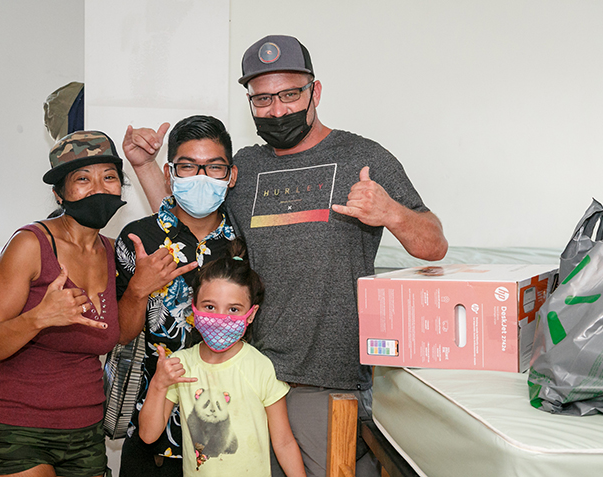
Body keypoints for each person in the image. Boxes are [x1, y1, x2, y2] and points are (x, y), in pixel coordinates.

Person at [124, 34, 448, 477]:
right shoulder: (246, 167)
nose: (277, 110)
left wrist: (390, 211)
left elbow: (433, 245)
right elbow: (189, 209)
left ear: (315, 91)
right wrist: (144, 166)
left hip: (329, 380)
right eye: (262, 100)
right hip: (248, 374)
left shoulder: (363, 157)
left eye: (290, 94)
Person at [0, 130, 130, 477]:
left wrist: (140, 289)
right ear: (59, 192)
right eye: (83, 179)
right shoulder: (31, 245)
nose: (99, 188)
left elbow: (120, 336)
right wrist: (39, 318)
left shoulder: (112, 251)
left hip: (87, 434)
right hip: (20, 431)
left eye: (110, 177)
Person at [115, 115, 239, 476]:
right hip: (153, 439)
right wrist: (139, 289)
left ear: (231, 175)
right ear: (169, 174)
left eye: (214, 167)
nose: (201, 177)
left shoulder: (245, 244)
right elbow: (121, 335)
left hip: (229, 438)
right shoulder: (140, 239)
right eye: (188, 166)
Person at [139, 239, 306, 477]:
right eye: (209, 306)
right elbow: (148, 435)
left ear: (251, 314)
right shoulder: (180, 365)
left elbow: (284, 442)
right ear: (194, 306)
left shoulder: (260, 367)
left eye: (233, 309)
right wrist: (158, 384)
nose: (220, 317)